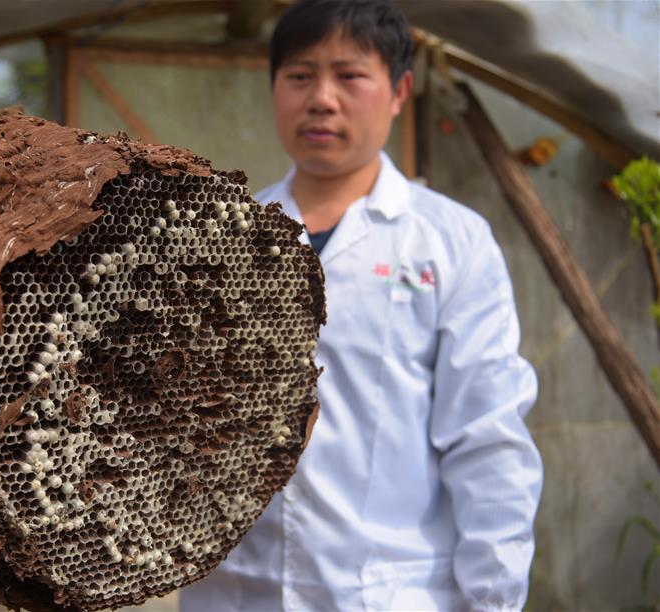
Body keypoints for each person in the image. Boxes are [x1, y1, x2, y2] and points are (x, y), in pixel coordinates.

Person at [178, 0, 543, 610]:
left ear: (399, 91)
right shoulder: (219, 236)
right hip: (235, 592)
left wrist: (495, 598)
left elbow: (486, 437)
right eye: (299, 76)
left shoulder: (450, 241)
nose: (322, 98)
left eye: (349, 76)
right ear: (274, 90)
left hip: (386, 592)